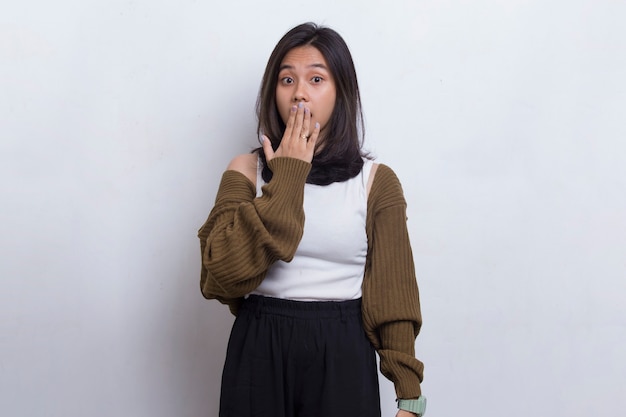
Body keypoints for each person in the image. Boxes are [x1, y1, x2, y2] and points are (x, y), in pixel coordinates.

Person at [198, 22, 426, 417]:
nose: (299, 93)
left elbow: (393, 293)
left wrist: (409, 396)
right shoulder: (245, 170)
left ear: (342, 93)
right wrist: (286, 174)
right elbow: (220, 274)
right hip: (259, 346)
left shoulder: (374, 182)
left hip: (342, 350)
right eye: (287, 79)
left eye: (316, 79)